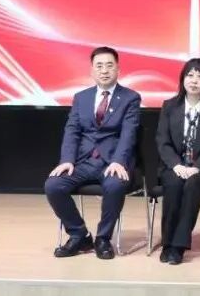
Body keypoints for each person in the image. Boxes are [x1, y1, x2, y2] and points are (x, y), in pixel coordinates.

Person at [45, 46, 141, 259]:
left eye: (109, 65)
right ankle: (79, 235)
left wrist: (119, 161)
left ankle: (103, 238)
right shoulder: (82, 97)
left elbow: (129, 133)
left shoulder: (130, 98)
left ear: (118, 69)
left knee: (114, 185)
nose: (104, 70)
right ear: (92, 70)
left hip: (112, 162)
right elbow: (72, 130)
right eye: (99, 66)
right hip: (84, 161)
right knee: (53, 185)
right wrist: (67, 160)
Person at [154, 57, 200, 264]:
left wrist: (197, 167)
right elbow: (162, 141)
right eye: (190, 75)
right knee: (173, 183)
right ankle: (167, 243)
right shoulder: (170, 106)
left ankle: (178, 246)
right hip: (175, 166)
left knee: (193, 184)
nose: (194, 80)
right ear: (183, 79)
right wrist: (176, 165)